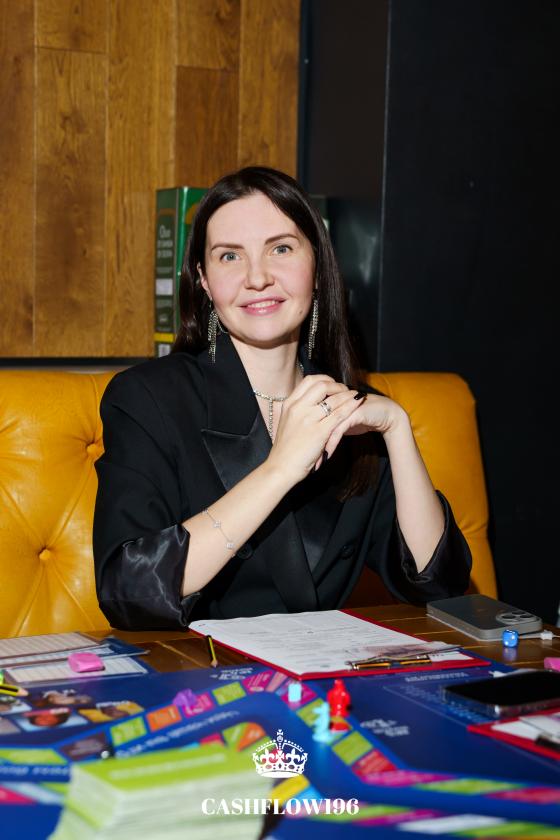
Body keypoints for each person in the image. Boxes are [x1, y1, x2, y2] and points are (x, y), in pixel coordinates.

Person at [93, 166, 471, 630]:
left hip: (320, 669)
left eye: (281, 249)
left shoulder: (352, 411)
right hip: (198, 668)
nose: (257, 277)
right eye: (230, 256)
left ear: (317, 268)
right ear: (205, 281)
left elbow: (438, 584)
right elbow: (129, 589)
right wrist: (279, 469)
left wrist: (396, 425)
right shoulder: (147, 398)